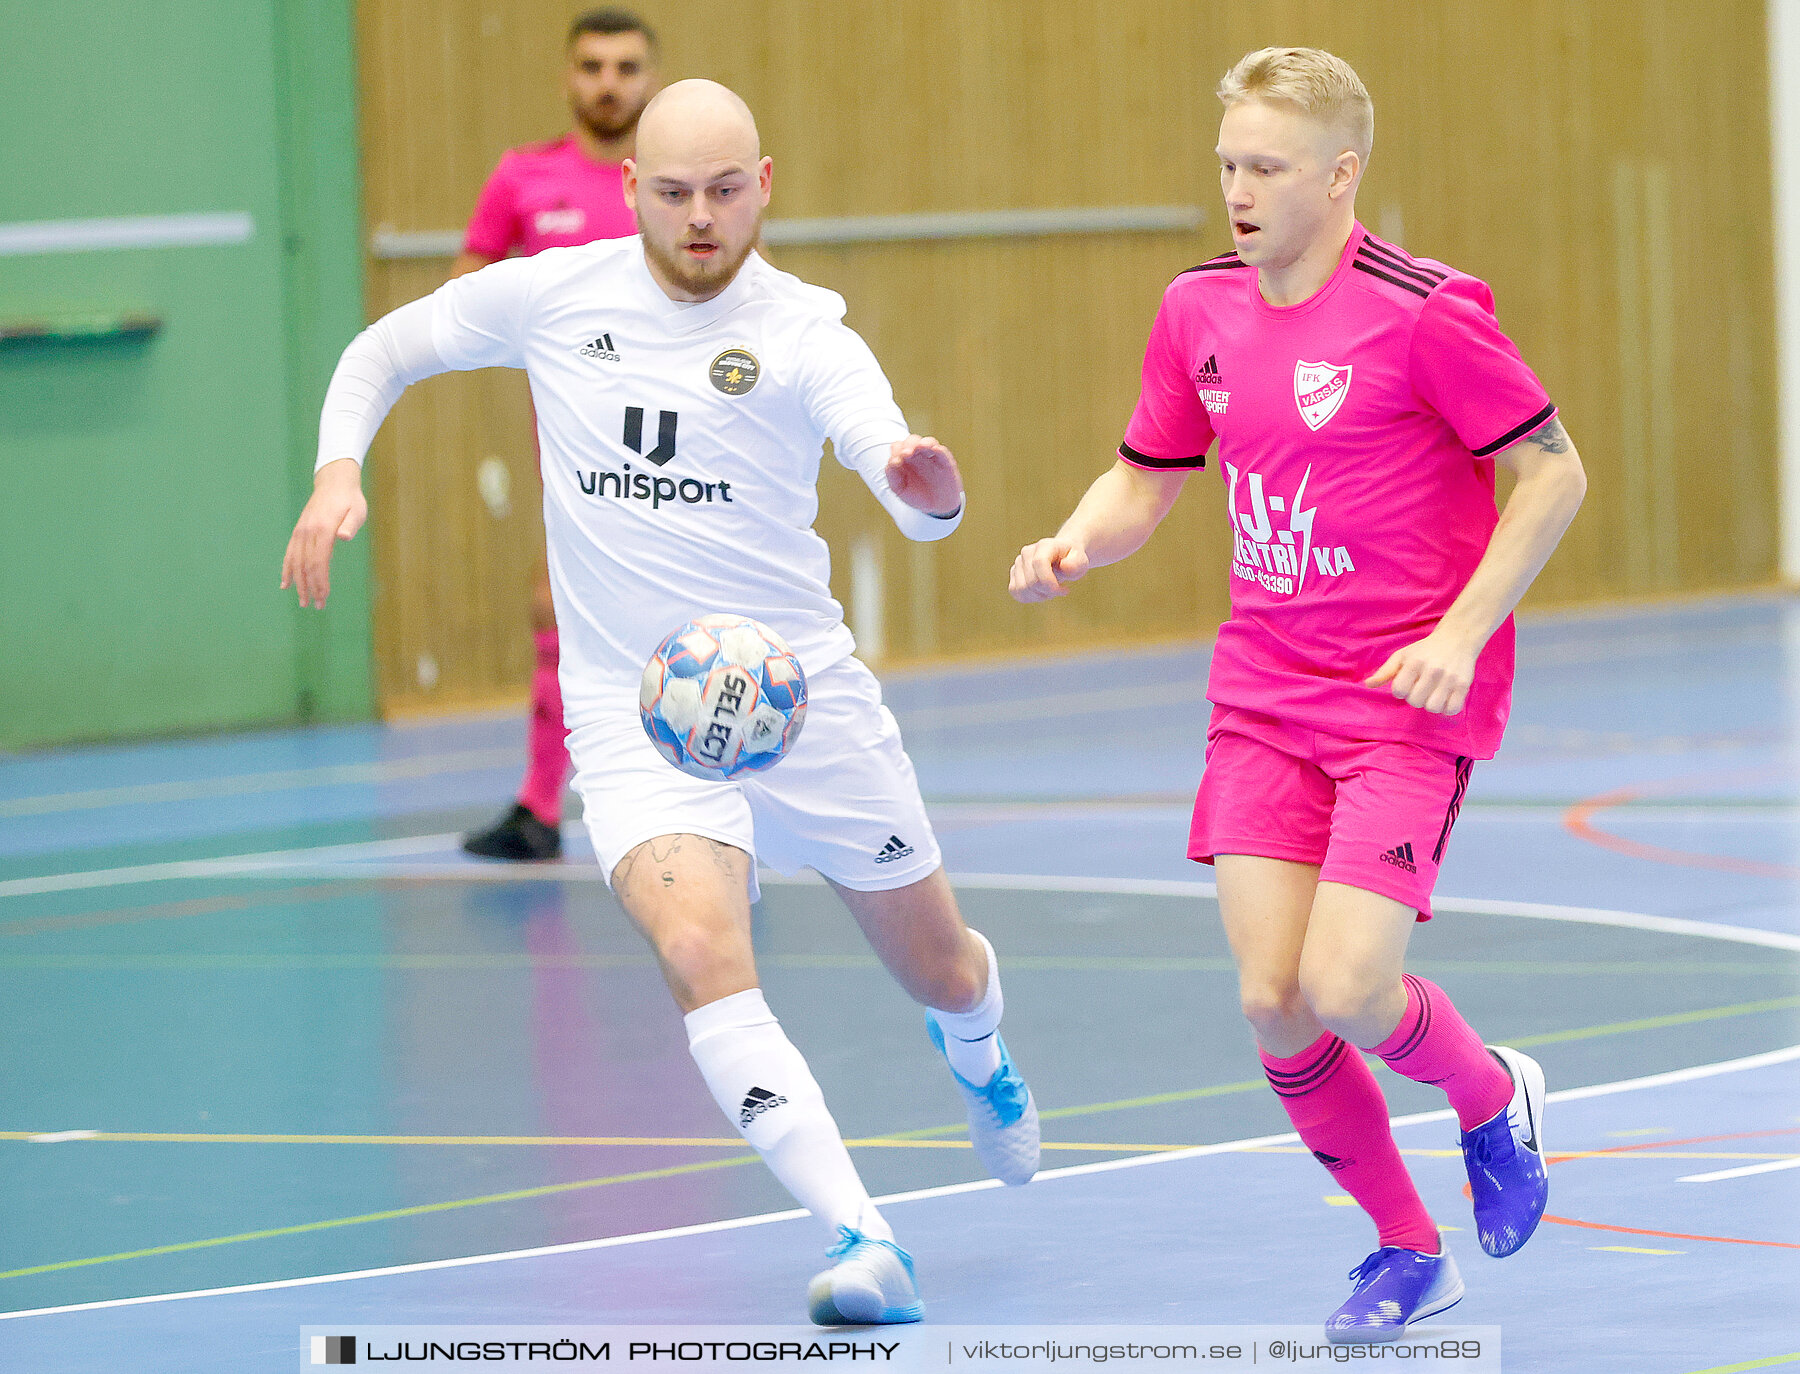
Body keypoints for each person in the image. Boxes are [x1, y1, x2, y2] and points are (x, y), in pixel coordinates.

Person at [283, 78, 1040, 1327]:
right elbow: (387, 350)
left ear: (766, 187)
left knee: (943, 969)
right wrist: (334, 472)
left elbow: (897, 478)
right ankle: (863, 1236)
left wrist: (928, 491)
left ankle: (983, 1055)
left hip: (802, 702)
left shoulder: (808, 335)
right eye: (675, 193)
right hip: (638, 714)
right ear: (630, 189)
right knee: (700, 949)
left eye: (726, 191)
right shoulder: (555, 295)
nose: (701, 219)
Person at [1010, 47, 1585, 1342]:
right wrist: (1072, 542)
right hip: (1264, 693)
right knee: (1271, 997)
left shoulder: (1427, 311)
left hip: (1403, 694)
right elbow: (1147, 474)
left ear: (1342, 173)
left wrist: (1462, 628)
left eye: (1266, 167)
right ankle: (1403, 1245)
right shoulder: (1197, 308)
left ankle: (1491, 1096)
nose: (1239, 191)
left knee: (1347, 983)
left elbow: (1553, 474)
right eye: (1227, 164)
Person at [458, 7, 660, 863]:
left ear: (650, 78)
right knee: (556, 609)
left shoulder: (672, 181)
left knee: (697, 621)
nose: (608, 83)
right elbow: (466, 295)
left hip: (684, 442)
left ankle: (734, 801)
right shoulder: (522, 179)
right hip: (572, 443)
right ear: (569, 77)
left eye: (625, 67)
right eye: (592, 66)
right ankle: (542, 808)